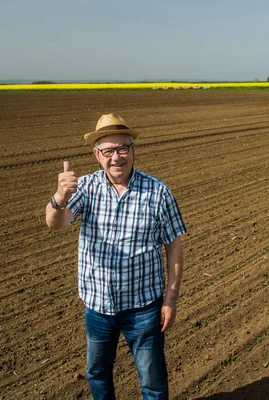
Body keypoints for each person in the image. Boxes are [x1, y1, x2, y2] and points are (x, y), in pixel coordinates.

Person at [45, 113, 187, 400]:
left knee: (153, 383)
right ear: (97, 155)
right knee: (97, 375)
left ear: (133, 150)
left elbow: (174, 246)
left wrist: (170, 300)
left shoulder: (157, 192)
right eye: (108, 150)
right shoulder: (85, 187)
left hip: (144, 309)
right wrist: (59, 198)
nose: (116, 157)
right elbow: (55, 223)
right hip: (97, 308)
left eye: (123, 148)